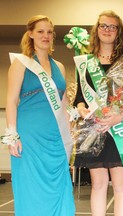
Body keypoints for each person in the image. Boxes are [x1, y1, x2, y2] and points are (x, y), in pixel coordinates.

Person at [4, 15, 75, 215]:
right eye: (40, 31)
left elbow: (63, 103)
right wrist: (12, 135)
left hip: (56, 137)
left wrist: (74, 123)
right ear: (30, 34)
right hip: (31, 137)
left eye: (49, 32)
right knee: (31, 188)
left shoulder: (59, 66)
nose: (46, 36)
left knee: (59, 186)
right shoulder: (20, 63)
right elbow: (11, 101)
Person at [73, 10, 123, 216]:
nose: (107, 30)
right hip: (94, 127)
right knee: (98, 184)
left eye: (112, 26)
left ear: (119, 32)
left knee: (120, 184)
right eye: (103, 26)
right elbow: (79, 97)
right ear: (96, 29)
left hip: (119, 127)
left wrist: (120, 116)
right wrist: (82, 109)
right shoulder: (84, 62)